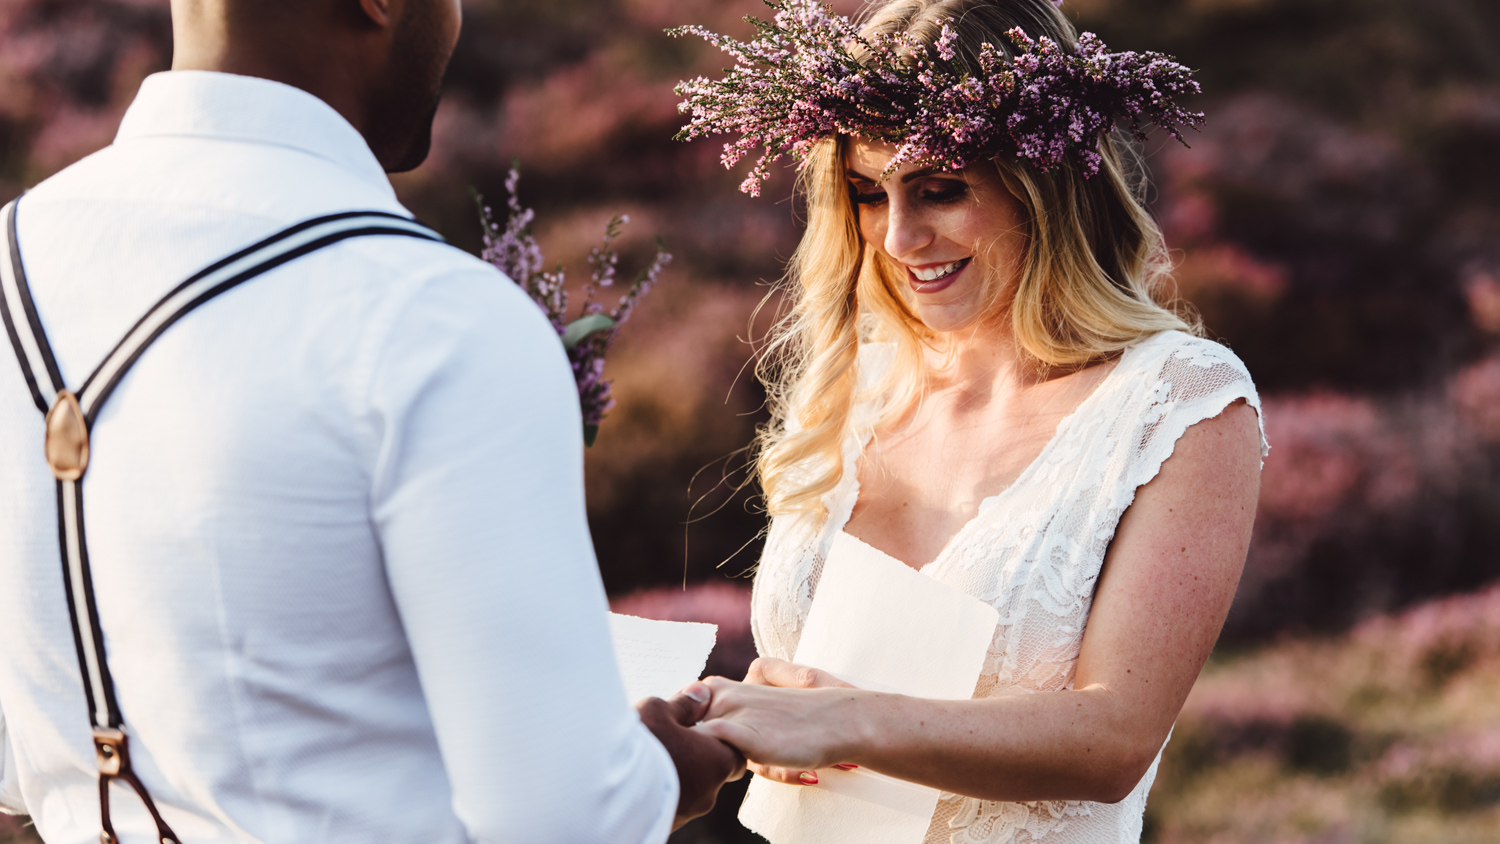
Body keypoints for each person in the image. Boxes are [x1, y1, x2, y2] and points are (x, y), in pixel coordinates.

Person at [0, 1, 740, 842]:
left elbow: (12, 760)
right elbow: (559, 818)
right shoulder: (437, 320)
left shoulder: (10, 257)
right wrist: (652, 778)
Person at [674, 0, 1265, 841]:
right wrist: (748, 717)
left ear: (1046, 184)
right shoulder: (858, 388)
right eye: (867, 195)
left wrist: (843, 719)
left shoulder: (1180, 404)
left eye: (941, 190)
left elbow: (1115, 739)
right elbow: (821, 703)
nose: (901, 237)